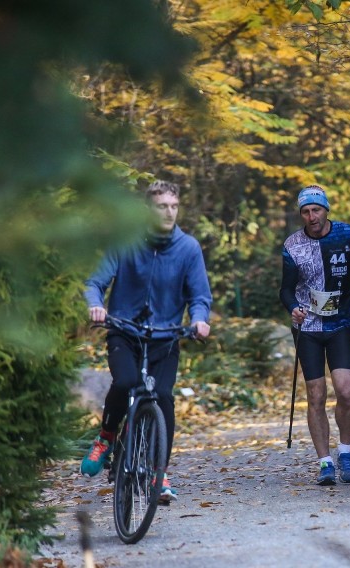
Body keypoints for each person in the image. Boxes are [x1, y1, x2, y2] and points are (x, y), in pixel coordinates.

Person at [81, 180, 212, 503]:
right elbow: (95, 282)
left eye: (173, 206)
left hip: (166, 338)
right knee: (125, 381)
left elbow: (199, 296)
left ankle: (158, 470)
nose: (169, 212)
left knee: (163, 397)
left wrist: (199, 320)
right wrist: (96, 306)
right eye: (161, 206)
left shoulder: (188, 249)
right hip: (125, 331)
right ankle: (106, 437)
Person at [279, 185, 350, 486]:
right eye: (306, 212)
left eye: (316, 210)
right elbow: (284, 288)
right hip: (308, 327)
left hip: (341, 323)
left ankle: (345, 452)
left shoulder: (348, 235)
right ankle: (325, 463)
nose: (311, 216)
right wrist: (293, 307)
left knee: (345, 391)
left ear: (326, 210)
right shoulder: (292, 244)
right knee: (316, 395)